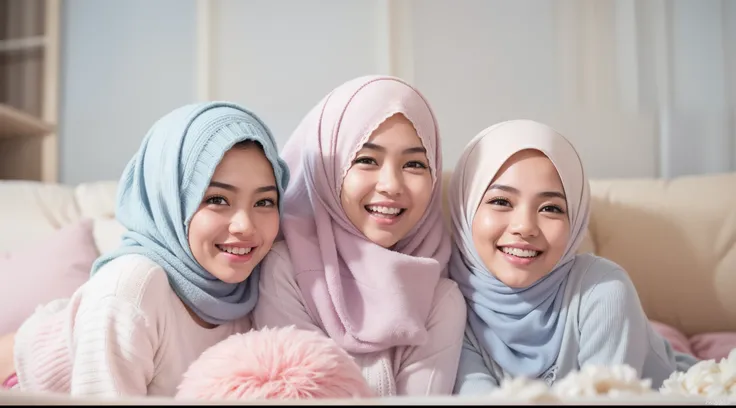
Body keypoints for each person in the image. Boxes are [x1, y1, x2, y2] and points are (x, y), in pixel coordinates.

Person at [2, 101, 289, 397]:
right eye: (217, 199)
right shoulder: (130, 290)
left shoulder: (256, 288)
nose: (245, 225)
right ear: (169, 201)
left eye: (264, 202)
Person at [448, 119, 698, 395]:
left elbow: (608, 400)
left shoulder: (603, 290)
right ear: (465, 208)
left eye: (551, 208)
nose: (525, 226)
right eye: (501, 202)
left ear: (575, 219)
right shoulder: (449, 303)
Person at [252, 75, 466, 396]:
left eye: (414, 164)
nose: (391, 185)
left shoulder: (441, 299)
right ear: (327, 171)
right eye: (366, 160)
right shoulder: (286, 269)